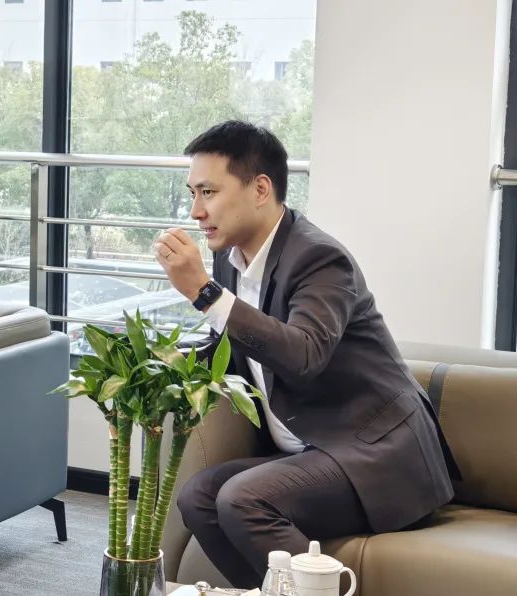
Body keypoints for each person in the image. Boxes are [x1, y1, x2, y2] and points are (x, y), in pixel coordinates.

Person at [154, 120, 458, 589]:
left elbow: (304, 354)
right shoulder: (230, 259)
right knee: (198, 497)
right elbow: (231, 347)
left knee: (243, 499)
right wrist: (157, 367)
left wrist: (204, 293)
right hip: (309, 452)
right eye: (193, 193)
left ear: (260, 189)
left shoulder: (319, 258)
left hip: (377, 456)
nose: (196, 211)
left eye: (209, 192)